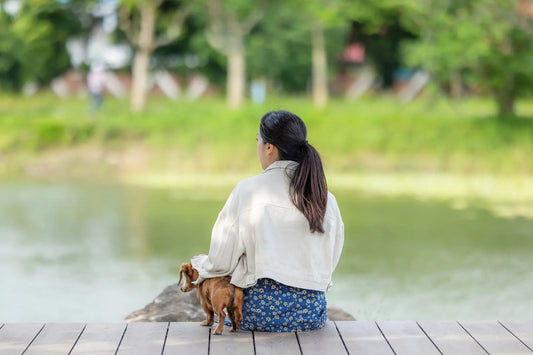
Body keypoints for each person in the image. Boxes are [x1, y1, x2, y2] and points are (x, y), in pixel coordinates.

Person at [191, 110, 344, 332]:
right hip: (312, 314)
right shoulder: (326, 199)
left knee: (206, 272)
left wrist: (199, 265)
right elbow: (331, 260)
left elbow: (220, 262)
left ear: (269, 147)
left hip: (258, 314)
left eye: (258, 141)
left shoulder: (248, 191)